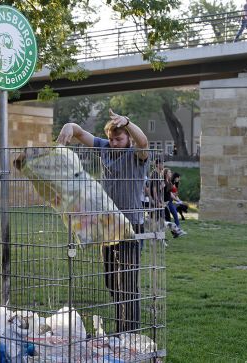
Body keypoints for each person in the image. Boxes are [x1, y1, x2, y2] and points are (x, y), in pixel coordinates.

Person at [56, 109, 148, 333]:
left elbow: (143, 142)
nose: (115, 143)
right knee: (111, 282)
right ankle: (121, 329)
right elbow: (80, 133)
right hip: (108, 226)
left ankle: (128, 334)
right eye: (112, 139)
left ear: (128, 138)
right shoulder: (104, 149)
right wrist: (70, 125)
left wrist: (127, 121)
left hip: (131, 227)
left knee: (126, 283)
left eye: (120, 139)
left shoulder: (137, 155)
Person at [163, 168, 187, 237]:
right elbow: (170, 193)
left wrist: (179, 201)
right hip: (166, 202)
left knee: (172, 217)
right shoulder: (168, 182)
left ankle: (176, 231)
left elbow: (172, 193)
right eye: (169, 172)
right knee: (168, 219)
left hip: (169, 202)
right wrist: (178, 201)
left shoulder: (170, 182)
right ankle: (175, 232)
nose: (171, 173)